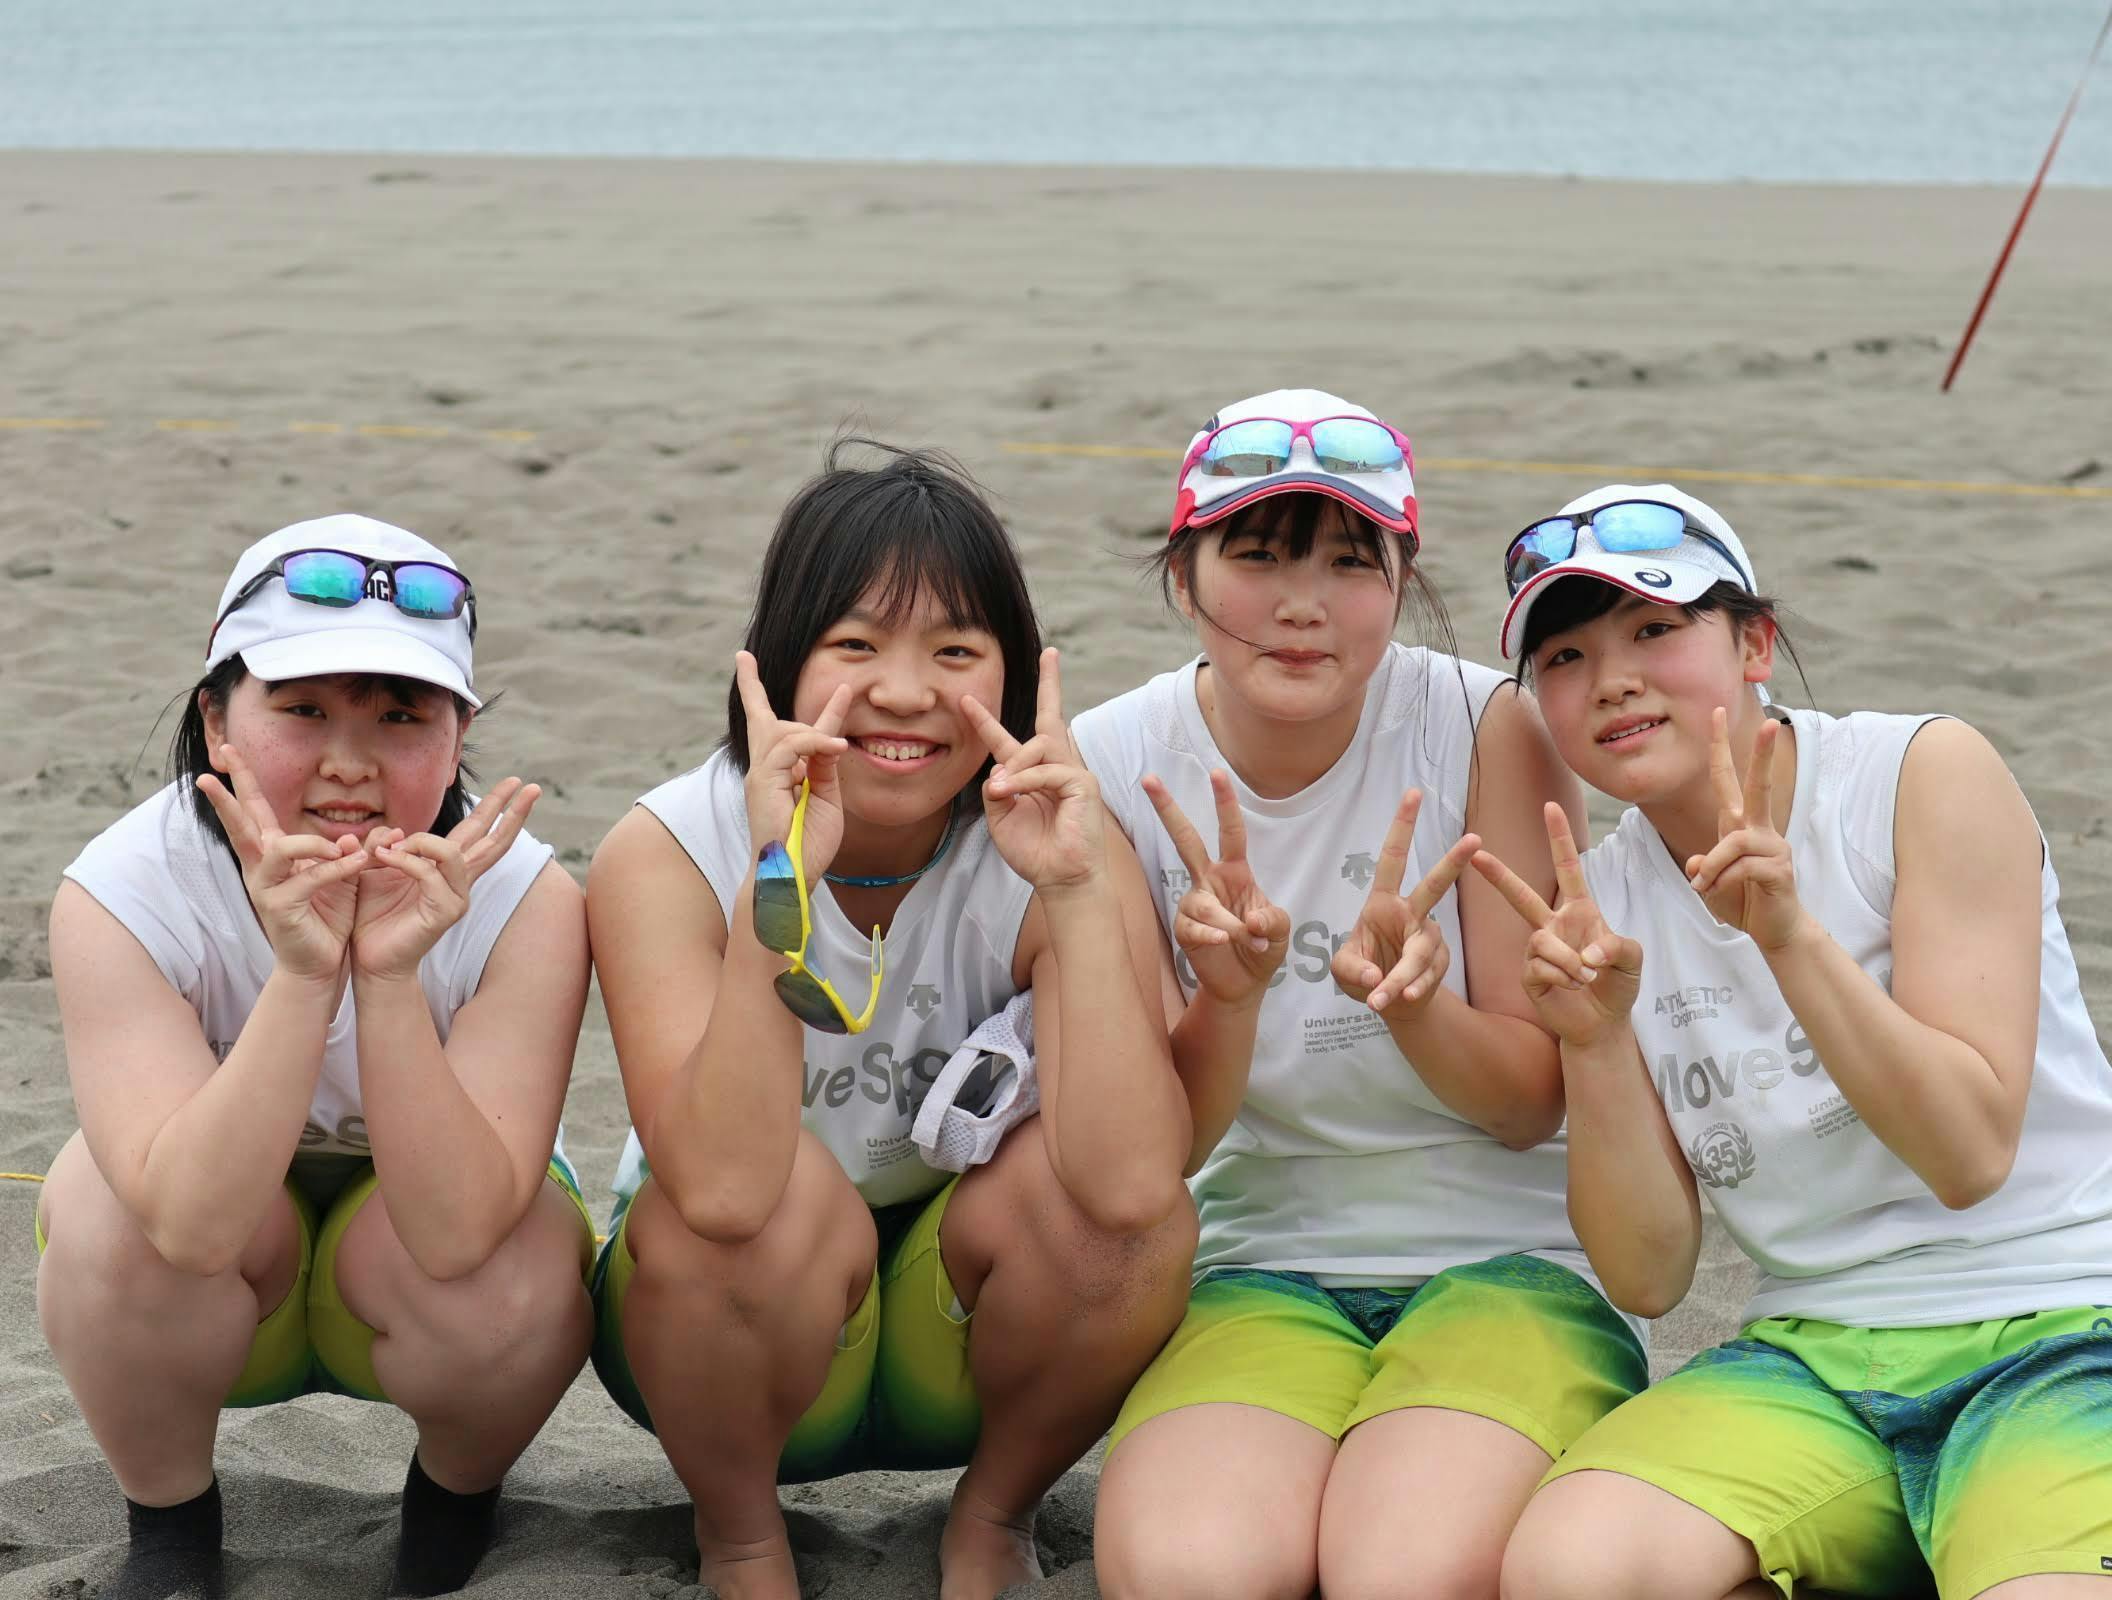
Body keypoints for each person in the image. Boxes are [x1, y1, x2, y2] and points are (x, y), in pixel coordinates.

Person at [1474, 484, 2112, 1600]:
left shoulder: (1916, 773)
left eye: (1655, 628)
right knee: (1569, 1567)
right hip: (1816, 1352)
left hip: (2060, 1324)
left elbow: (1968, 1154)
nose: (1612, 678)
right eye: (1565, 657)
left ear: (1755, 643)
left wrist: (1789, 938)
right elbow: (1650, 1275)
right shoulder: (1601, 900)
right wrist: (1596, 1040)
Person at [584, 441, 1196, 1600]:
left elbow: (1132, 1191)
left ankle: (996, 1513)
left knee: (1127, 1227)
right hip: (721, 1338)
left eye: (955, 651)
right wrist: (780, 880)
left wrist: (1076, 895)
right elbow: (721, 1191)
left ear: (1010, 675)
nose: (907, 693)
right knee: (763, 1210)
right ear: (778, 660)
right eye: (856, 645)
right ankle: (741, 1539)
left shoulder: (1054, 839)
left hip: (952, 1332)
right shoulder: (665, 849)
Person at [1073, 391, 1648, 1600]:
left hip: (1510, 1257)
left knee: (1402, 1572)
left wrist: (1416, 1008)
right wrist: (1229, 1000)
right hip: (1259, 1260)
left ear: (1401, 580)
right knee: (1188, 1573)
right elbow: (1162, 1150)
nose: (1304, 604)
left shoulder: (1487, 723)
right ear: (1183, 577)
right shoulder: (1114, 762)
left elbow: (1531, 1105)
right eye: (1257, 556)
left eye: (1349, 561)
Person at [38, 514, 595, 1600]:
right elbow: (189, 1224)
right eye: (303, 710)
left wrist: (384, 976)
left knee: (519, 1274)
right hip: (216, 1253)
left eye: (402, 715)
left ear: (460, 731)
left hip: (420, 1254)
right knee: (106, 1221)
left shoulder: (526, 899)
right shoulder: (126, 888)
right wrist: (302, 978)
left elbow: (460, 1232)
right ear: (217, 718)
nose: (350, 763)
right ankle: (170, 1525)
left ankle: (452, 1502)